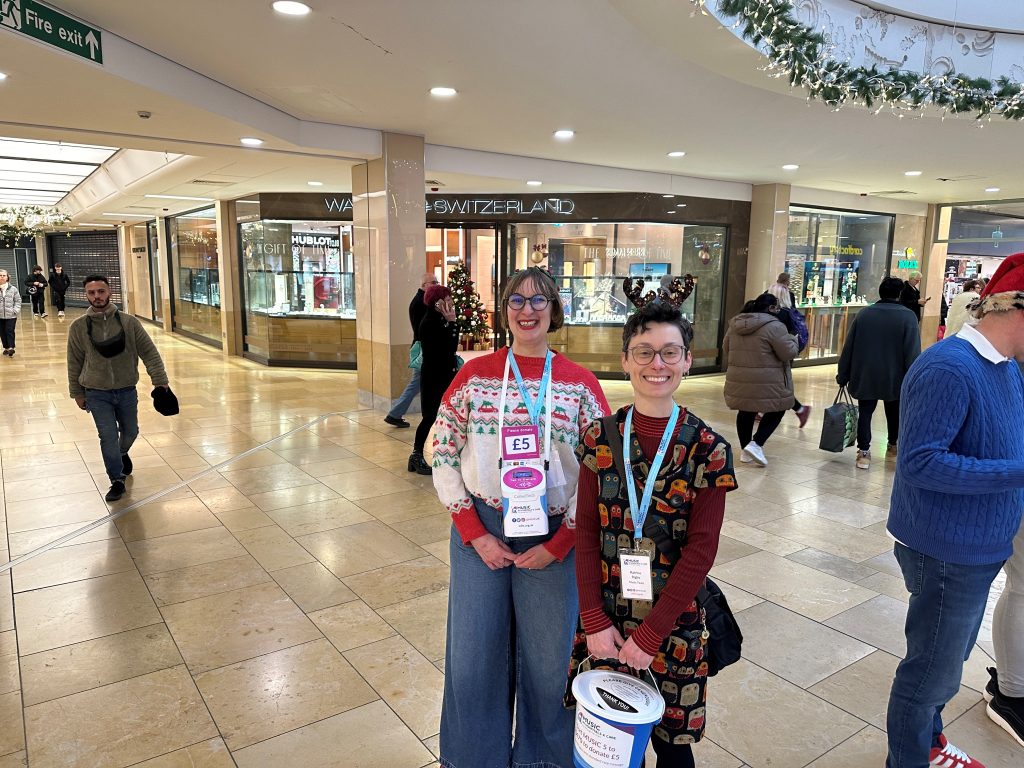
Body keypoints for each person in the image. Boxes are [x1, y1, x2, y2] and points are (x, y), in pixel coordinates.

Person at [432, 266, 609, 768]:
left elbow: (599, 471)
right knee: (472, 657)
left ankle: (542, 759)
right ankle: (472, 758)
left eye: (538, 300)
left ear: (555, 311)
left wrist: (562, 542)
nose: (527, 309)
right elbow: (441, 449)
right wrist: (472, 532)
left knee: (549, 660)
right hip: (482, 528)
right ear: (504, 309)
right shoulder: (475, 375)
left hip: (555, 533)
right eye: (516, 299)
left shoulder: (579, 384)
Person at [569, 300, 737, 767]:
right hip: (604, 618)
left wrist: (650, 637)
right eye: (644, 352)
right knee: (606, 744)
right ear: (625, 360)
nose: (656, 364)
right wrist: (593, 621)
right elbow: (585, 533)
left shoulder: (707, 451)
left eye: (669, 352)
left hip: (672, 624)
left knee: (671, 747)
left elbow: (701, 553)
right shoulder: (598, 439)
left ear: (687, 360)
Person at [884, 252, 1024, 768]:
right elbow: (920, 464)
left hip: (980, 546)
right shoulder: (948, 367)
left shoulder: (1007, 368)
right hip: (946, 550)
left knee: (950, 660)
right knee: (930, 674)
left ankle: (930, 744)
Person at [67, 275, 171, 502]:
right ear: (86, 295)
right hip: (96, 392)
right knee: (108, 436)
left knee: (131, 431)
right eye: (92, 293)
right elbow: (74, 361)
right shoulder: (78, 327)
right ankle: (116, 479)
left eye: (101, 291)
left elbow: (149, 352)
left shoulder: (129, 322)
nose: (97, 297)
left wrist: (160, 380)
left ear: (109, 292)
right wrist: (77, 392)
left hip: (126, 389)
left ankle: (122, 453)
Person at [836, 277, 920, 470]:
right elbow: (912, 351)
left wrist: (843, 373)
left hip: (866, 373)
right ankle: (892, 445)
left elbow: (849, 346)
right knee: (894, 411)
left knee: (865, 412)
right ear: (899, 294)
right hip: (895, 375)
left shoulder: (865, 314)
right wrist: (914, 378)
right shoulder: (908, 317)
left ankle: (864, 452)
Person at [722, 293, 799, 467]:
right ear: (771, 308)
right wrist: (794, 340)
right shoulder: (775, 326)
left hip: (739, 377)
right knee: (779, 407)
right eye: (776, 307)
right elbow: (788, 352)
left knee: (745, 410)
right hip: (768, 379)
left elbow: (727, 348)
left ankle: (745, 450)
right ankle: (756, 444)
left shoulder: (735, 324)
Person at [407, 284, 459, 475]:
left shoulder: (439, 319)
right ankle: (416, 455)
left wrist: (451, 322)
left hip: (445, 376)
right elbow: (446, 349)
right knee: (429, 417)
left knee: (444, 417)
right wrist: (452, 323)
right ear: (437, 303)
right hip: (433, 378)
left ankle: (446, 454)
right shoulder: (429, 322)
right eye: (446, 300)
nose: (450, 302)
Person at [385, 273, 439, 428]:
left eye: (437, 281)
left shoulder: (425, 301)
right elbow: (422, 330)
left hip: (424, 349)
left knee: (422, 384)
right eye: (433, 282)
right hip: (424, 350)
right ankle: (394, 414)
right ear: (424, 285)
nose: (437, 284)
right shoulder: (420, 303)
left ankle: (395, 414)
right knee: (416, 383)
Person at [766, 283, 812, 427]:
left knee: (777, 387)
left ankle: (800, 409)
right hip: (787, 352)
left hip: (775, 354)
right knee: (778, 386)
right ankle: (799, 409)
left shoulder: (780, 314)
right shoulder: (790, 312)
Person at [0, 269, 20, 357]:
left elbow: (18, 300)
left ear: (7, 277)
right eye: (0, 275)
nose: (2, 277)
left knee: (9, 330)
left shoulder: (13, 289)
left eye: (4, 275)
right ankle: (6, 347)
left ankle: (11, 347)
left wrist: (15, 310)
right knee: (2, 332)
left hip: (11, 316)